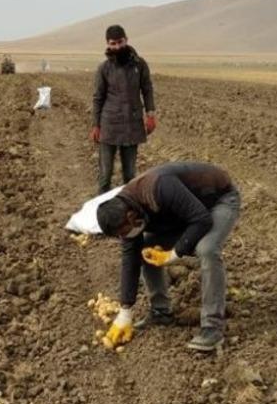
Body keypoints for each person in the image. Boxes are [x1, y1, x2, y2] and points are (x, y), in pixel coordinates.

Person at [96, 162, 241, 353]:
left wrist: (174, 254)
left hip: (217, 200)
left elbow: (201, 219)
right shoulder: (123, 211)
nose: (126, 236)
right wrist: (125, 311)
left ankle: (212, 327)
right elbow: (130, 259)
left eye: (125, 230)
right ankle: (160, 311)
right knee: (146, 249)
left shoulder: (159, 188)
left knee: (206, 249)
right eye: (120, 235)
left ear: (131, 215)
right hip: (181, 215)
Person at [91, 25, 155, 194]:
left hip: (131, 125)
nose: (117, 47)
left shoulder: (140, 65)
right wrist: (96, 125)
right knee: (105, 176)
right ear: (107, 44)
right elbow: (98, 98)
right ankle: (101, 212)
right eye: (113, 43)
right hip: (109, 126)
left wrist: (150, 114)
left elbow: (147, 89)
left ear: (126, 39)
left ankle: (129, 213)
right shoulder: (104, 68)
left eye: (120, 42)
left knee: (129, 176)